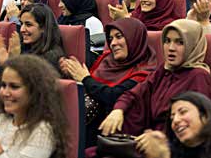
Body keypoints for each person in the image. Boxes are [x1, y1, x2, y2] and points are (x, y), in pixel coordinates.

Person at [99, 19, 211, 137]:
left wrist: (156, 140)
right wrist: (118, 110)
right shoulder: (164, 70)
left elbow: (197, 128)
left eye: (180, 42)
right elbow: (134, 94)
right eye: (167, 41)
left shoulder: (199, 77)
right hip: (146, 138)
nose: (171, 48)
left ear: (193, 45)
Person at [60, 18, 158, 147]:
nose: (113, 43)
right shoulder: (106, 59)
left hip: (112, 134)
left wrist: (85, 79)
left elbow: (113, 95)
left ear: (134, 38)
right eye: (110, 39)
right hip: (85, 124)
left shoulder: (145, 71)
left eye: (119, 37)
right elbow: (90, 84)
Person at [0, 54, 68, 158]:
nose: (5, 93)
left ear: (35, 91)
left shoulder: (43, 131)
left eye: (14, 87)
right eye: (3, 85)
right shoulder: (1, 120)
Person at [136, 91, 211, 158]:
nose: (175, 121)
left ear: (205, 117)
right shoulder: (171, 151)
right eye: (172, 118)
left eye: (183, 112)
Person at [0, 3, 65, 72]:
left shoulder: (52, 57)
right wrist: (5, 62)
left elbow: (29, 81)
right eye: (21, 23)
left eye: (28, 25)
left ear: (43, 27)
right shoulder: (23, 47)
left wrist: (13, 60)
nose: (22, 29)